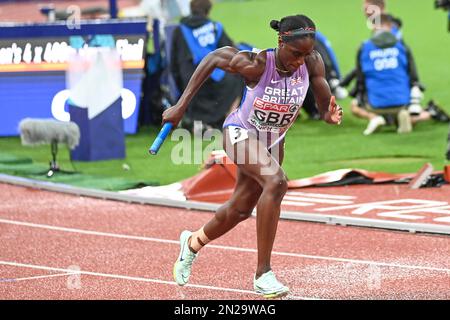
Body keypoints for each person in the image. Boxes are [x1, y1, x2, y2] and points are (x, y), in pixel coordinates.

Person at [163, 14, 343, 298]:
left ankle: (192, 243)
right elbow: (214, 58)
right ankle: (263, 274)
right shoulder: (257, 64)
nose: (300, 61)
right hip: (241, 133)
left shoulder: (311, 62)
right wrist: (181, 105)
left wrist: (329, 116)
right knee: (276, 182)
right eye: (295, 54)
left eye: (306, 54)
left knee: (240, 209)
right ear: (280, 41)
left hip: (274, 140)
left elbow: (323, 106)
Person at [170, 0, 244, 131]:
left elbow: (174, 63)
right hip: (217, 78)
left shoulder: (179, 30)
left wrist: (181, 85)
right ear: (208, 11)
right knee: (242, 76)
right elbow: (231, 54)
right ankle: (230, 121)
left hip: (191, 81)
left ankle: (200, 125)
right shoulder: (215, 27)